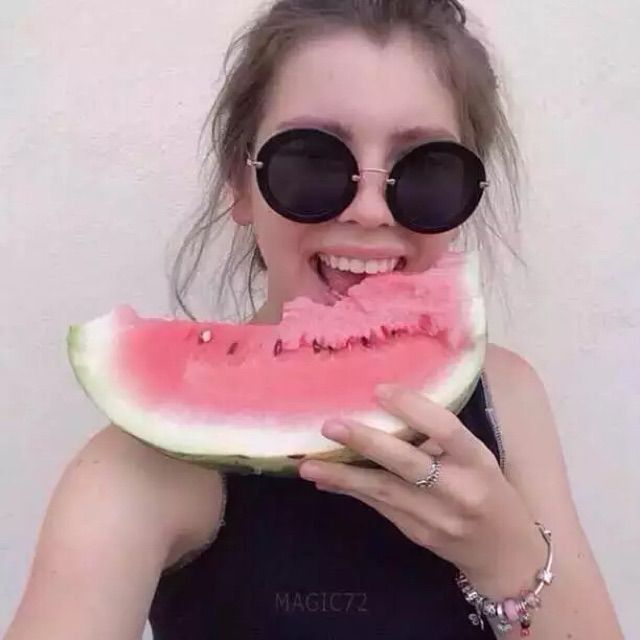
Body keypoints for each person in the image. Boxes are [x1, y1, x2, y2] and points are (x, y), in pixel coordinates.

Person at [4, 1, 624, 639]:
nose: (370, 211)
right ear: (240, 184)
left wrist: (508, 558)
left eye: (427, 170)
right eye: (314, 161)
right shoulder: (137, 474)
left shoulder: (508, 397)